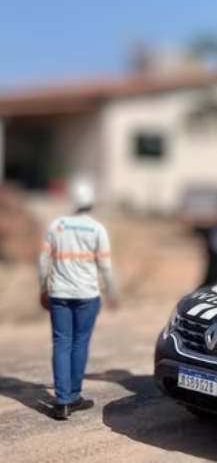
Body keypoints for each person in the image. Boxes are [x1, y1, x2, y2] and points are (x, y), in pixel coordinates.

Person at [38, 178, 119, 421]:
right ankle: (74, 395)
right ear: (91, 202)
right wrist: (112, 292)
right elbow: (105, 266)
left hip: (59, 294)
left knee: (61, 343)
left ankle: (63, 402)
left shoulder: (57, 226)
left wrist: (43, 288)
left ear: (72, 201)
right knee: (80, 343)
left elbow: (43, 261)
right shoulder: (97, 229)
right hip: (87, 295)